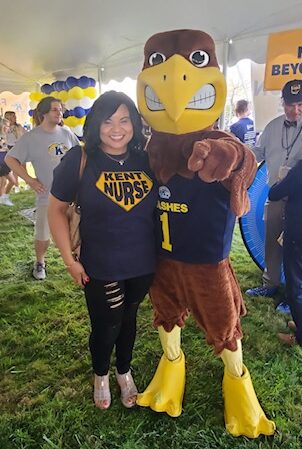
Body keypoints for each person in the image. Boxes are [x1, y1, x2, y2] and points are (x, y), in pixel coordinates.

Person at [48, 91, 157, 410]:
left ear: (134, 123)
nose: (116, 128)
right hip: (100, 263)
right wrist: (69, 261)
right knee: (107, 324)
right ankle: (100, 375)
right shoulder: (79, 159)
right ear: (95, 124)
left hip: (142, 262)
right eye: (108, 120)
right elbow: (55, 210)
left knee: (129, 319)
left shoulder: (146, 158)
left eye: (124, 119)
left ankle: (124, 372)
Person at [5, 97, 79, 280]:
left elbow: (80, 155)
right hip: (48, 196)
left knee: (75, 231)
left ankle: (76, 260)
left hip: (72, 195)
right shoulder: (32, 137)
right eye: (55, 109)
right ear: (44, 112)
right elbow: (10, 159)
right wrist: (30, 180)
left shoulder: (67, 133)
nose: (59, 113)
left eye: (60, 109)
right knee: (43, 233)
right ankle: (40, 262)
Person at [246, 79, 302, 305]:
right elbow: (256, 154)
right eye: (290, 104)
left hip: (299, 203)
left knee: (296, 250)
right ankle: (269, 284)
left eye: (300, 104)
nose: (295, 110)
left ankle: (293, 294)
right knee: (272, 241)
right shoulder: (272, 127)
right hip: (275, 197)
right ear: (282, 102)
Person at [269, 159, 302, 345]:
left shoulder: (299, 169)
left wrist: (281, 178)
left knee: (295, 288)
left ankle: (299, 336)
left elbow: (275, 193)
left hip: (298, 235)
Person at [4, 111, 26, 193]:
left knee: (23, 166)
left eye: (15, 116)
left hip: (20, 147)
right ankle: (16, 185)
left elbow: (25, 135)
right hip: (10, 148)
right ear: (8, 117)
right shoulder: (5, 127)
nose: (15, 118)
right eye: (13, 116)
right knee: (15, 168)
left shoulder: (19, 126)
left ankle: (27, 183)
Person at [0, 118, 17, 206]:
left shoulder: (5, 135)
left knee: (3, 181)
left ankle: (3, 198)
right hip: (2, 160)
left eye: (8, 126)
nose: (8, 128)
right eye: (6, 126)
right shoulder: (1, 136)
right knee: (12, 181)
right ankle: (4, 198)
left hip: (5, 159)